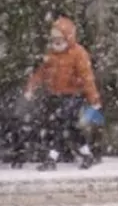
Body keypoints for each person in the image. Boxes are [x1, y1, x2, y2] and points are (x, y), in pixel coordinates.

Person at [24, 16, 103, 170]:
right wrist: (31, 88)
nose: (56, 43)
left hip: (74, 95)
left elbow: (87, 78)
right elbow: (40, 73)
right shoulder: (51, 55)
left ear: (68, 37)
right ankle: (87, 155)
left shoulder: (78, 54)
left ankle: (52, 158)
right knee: (72, 128)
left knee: (59, 124)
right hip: (57, 95)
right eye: (53, 39)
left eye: (59, 39)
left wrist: (94, 99)